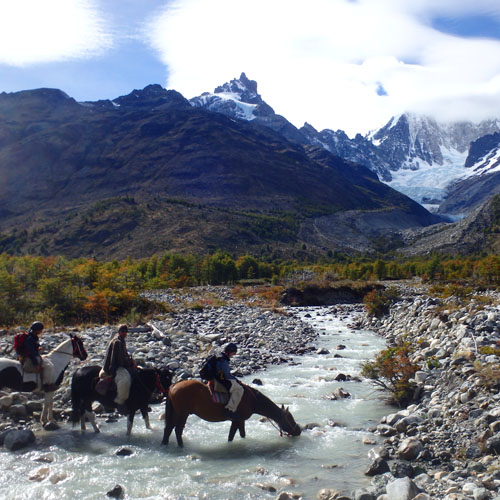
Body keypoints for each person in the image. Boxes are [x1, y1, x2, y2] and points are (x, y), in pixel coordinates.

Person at [101, 324, 136, 413]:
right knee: (125, 381)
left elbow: (124, 355)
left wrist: (131, 360)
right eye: (122, 331)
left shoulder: (121, 340)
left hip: (118, 364)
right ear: (119, 332)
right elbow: (119, 360)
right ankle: (120, 402)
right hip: (113, 367)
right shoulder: (117, 342)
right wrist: (130, 363)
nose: (124, 333)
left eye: (125, 332)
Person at [215, 342, 244, 419]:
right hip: (219, 380)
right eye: (233, 353)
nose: (233, 355)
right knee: (239, 389)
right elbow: (227, 375)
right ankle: (230, 410)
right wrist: (237, 381)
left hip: (215, 377)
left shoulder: (219, 356)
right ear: (230, 351)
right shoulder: (224, 360)